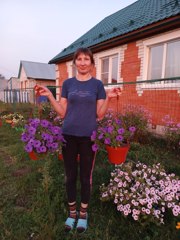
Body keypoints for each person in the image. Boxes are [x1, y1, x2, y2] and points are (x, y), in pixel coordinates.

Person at [35, 47, 121, 233]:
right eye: (79, 59)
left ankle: (83, 213)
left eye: (86, 59)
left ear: (91, 63)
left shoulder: (97, 85)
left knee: (85, 177)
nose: (82, 62)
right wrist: (50, 95)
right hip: (68, 136)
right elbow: (62, 112)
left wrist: (109, 98)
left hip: (88, 137)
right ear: (75, 63)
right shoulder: (68, 84)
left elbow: (99, 114)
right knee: (70, 176)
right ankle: (72, 212)